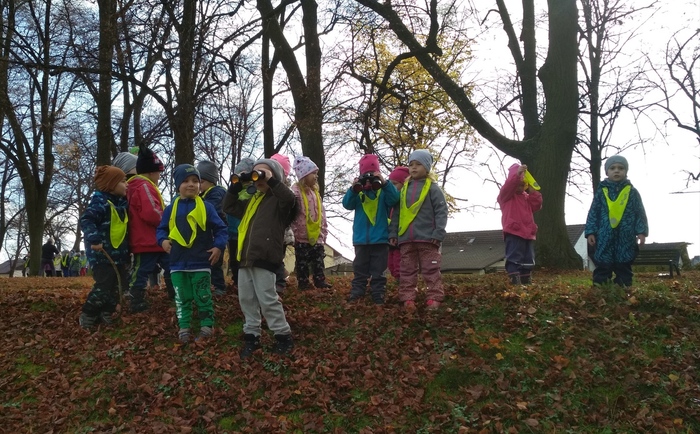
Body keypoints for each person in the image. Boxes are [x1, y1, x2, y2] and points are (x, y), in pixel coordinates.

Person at [223, 157, 296, 358]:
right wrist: (237, 185)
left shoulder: (278, 202)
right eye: (256, 174)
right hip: (245, 258)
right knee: (246, 299)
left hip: (265, 256)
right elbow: (228, 206)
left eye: (263, 173)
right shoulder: (251, 201)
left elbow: (289, 199)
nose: (259, 178)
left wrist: (272, 180)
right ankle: (252, 336)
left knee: (267, 298)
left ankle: (283, 335)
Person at [157, 164, 228, 344]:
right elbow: (161, 229)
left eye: (195, 181)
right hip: (177, 263)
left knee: (203, 295)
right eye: (186, 181)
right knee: (181, 298)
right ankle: (184, 327)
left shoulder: (207, 207)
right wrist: (163, 240)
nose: (191, 184)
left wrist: (218, 246)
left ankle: (206, 325)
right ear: (178, 185)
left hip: (201, 262)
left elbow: (221, 228)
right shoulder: (171, 209)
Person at [388, 150, 448, 309]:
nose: (414, 168)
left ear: (427, 167)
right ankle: (408, 298)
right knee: (406, 270)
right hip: (406, 239)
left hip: (428, 238)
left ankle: (434, 297)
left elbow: (441, 211)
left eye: (418, 164)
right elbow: (397, 213)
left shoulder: (433, 188)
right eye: (411, 164)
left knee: (431, 268)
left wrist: (439, 232)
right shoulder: (404, 190)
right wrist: (393, 233)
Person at [342, 154, 399, 305]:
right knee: (360, 269)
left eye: (372, 176)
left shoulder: (383, 192)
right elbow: (347, 204)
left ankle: (378, 293)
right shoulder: (358, 192)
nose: (368, 181)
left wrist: (384, 183)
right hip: (361, 240)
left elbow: (395, 199)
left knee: (378, 271)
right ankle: (357, 292)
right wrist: (353, 189)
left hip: (380, 239)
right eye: (365, 176)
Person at [585, 155, 648, 287]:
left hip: (626, 236)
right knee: (603, 264)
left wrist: (641, 231)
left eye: (621, 168)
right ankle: (600, 286)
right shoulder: (601, 192)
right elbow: (593, 212)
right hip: (604, 236)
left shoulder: (632, 192)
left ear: (626, 171)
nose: (617, 171)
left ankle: (624, 286)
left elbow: (639, 212)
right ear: (607, 172)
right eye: (612, 168)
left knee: (624, 264)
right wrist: (591, 232)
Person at [79, 166, 130, 329]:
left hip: (119, 255)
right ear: (111, 185)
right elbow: (87, 220)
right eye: (123, 181)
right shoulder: (100, 202)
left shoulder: (122, 204)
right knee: (104, 285)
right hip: (102, 254)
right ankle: (89, 313)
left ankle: (106, 311)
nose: (127, 184)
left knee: (117, 286)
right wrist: (94, 238)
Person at [126, 144, 174, 312]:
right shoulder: (144, 186)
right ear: (151, 172)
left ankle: (174, 294)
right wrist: (167, 221)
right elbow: (151, 212)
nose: (159, 177)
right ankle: (136, 300)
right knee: (143, 270)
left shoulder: (137, 186)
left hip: (152, 240)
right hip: (148, 239)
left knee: (168, 265)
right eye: (159, 173)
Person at [497, 163, 543, 285]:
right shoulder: (506, 196)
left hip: (528, 232)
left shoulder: (526, 197)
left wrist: (533, 192)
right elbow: (509, 186)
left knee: (528, 258)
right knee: (514, 256)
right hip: (514, 231)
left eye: (523, 185)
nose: (520, 187)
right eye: (518, 184)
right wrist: (517, 175)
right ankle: (514, 278)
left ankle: (526, 279)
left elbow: (537, 205)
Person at [290, 156, 331, 290]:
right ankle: (303, 283)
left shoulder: (315, 193)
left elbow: (322, 213)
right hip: (301, 235)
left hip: (317, 235)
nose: (316, 176)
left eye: (316, 173)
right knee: (302, 262)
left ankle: (320, 280)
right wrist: (293, 231)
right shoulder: (296, 192)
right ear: (304, 175)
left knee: (318, 260)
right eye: (313, 173)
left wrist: (324, 231)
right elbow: (291, 211)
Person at [196, 160, 228, 296]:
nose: (199, 185)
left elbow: (209, 209)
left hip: (216, 234)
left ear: (211, 181)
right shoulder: (205, 195)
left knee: (215, 261)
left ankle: (219, 287)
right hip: (209, 235)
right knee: (209, 261)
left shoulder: (216, 193)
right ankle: (210, 285)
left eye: (202, 182)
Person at [225, 158, 255, 290]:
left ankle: (250, 285)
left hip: (249, 234)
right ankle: (238, 284)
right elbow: (226, 207)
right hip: (233, 233)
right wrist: (233, 190)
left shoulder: (255, 192)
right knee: (234, 261)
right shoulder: (233, 192)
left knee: (248, 260)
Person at [270, 153, 295, 294]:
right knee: (271, 258)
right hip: (269, 230)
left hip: (281, 232)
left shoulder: (285, 190)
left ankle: (279, 282)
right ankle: (276, 279)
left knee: (277, 258)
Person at [386, 166, 409, 284]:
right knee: (391, 262)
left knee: (400, 262)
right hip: (390, 237)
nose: (392, 187)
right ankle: (397, 281)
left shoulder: (403, 201)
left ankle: (403, 283)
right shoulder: (389, 201)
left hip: (400, 237)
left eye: (395, 184)